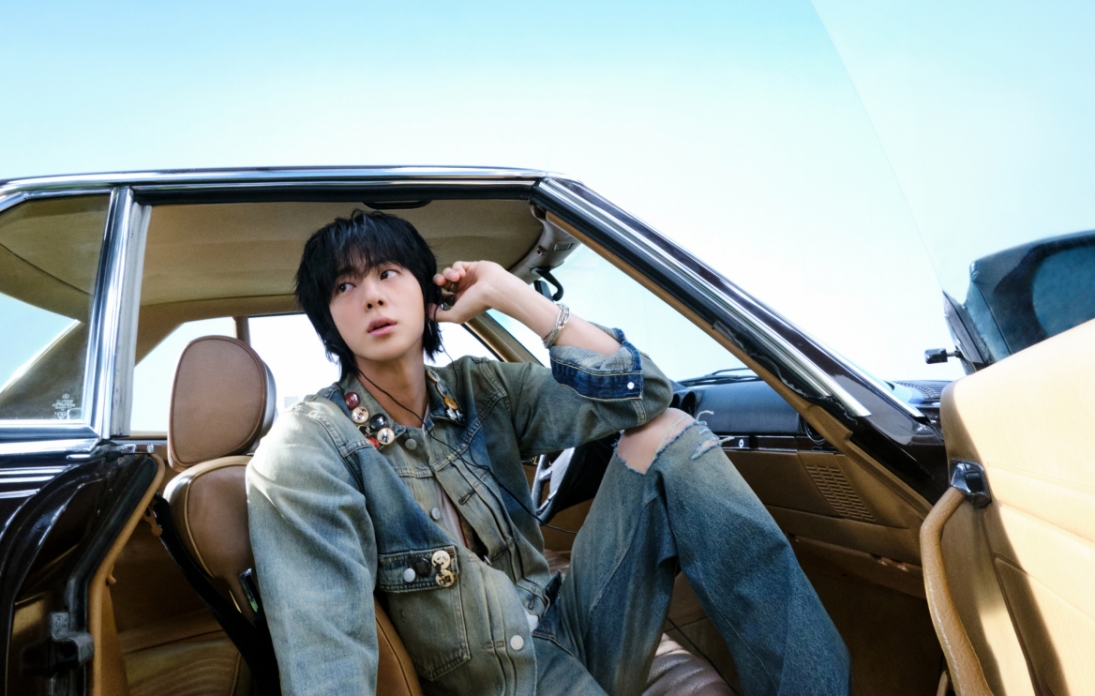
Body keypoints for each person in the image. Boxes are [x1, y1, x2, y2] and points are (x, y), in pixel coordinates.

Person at [247, 210, 850, 696]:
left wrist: (515, 296)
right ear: (328, 319)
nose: (371, 298)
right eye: (345, 286)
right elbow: (328, 654)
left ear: (427, 292)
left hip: (565, 627)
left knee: (669, 434)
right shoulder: (311, 447)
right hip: (498, 682)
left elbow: (644, 394)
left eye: (388, 273)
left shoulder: (480, 388)